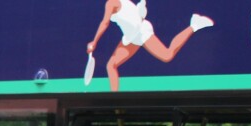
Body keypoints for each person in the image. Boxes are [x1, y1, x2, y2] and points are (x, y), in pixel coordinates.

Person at [86, 1, 214, 93]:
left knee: (167, 55)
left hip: (141, 32)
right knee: (111, 65)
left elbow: (105, 23)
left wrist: (94, 41)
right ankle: (114, 101)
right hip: (131, 37)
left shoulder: (111, 3)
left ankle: (194, 25)